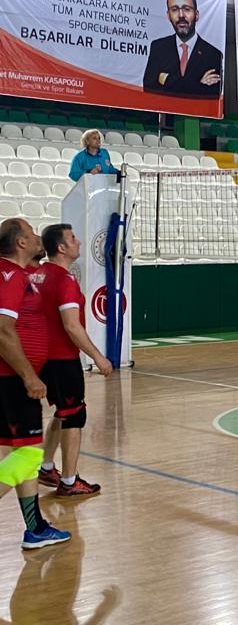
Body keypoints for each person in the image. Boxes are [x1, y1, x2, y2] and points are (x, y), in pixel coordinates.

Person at [0, 218, 72, 548]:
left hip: (11, 379)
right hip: (13, 380)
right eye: (30, 234)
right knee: (30, 457)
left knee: (20, 454)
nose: (36, 236)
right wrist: (30, 376)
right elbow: (3, 331)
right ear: (20, 243)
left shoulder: (19, 273)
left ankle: (35, 529)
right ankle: (36, 528)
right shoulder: (11, 276)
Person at [34, 224, 114, 496]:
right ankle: (69, 482)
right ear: (61, 248)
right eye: (73, 238)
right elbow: (71, 326)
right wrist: (98, 357)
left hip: (41, 357)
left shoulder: (37, 275)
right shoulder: (64, 280)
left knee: (62, 412)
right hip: (61, 359)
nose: (78, 242)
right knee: (74, 416)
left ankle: (46, 468)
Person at [143, 0, 223, 97]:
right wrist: (198, 84)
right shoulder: (158, 48)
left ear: (197, 15)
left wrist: (167, 80)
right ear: (168, 15)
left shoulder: (213, 55)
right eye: (174, 9)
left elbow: (211, 94)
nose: (181, 15)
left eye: (186, 9)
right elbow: (149, 88)